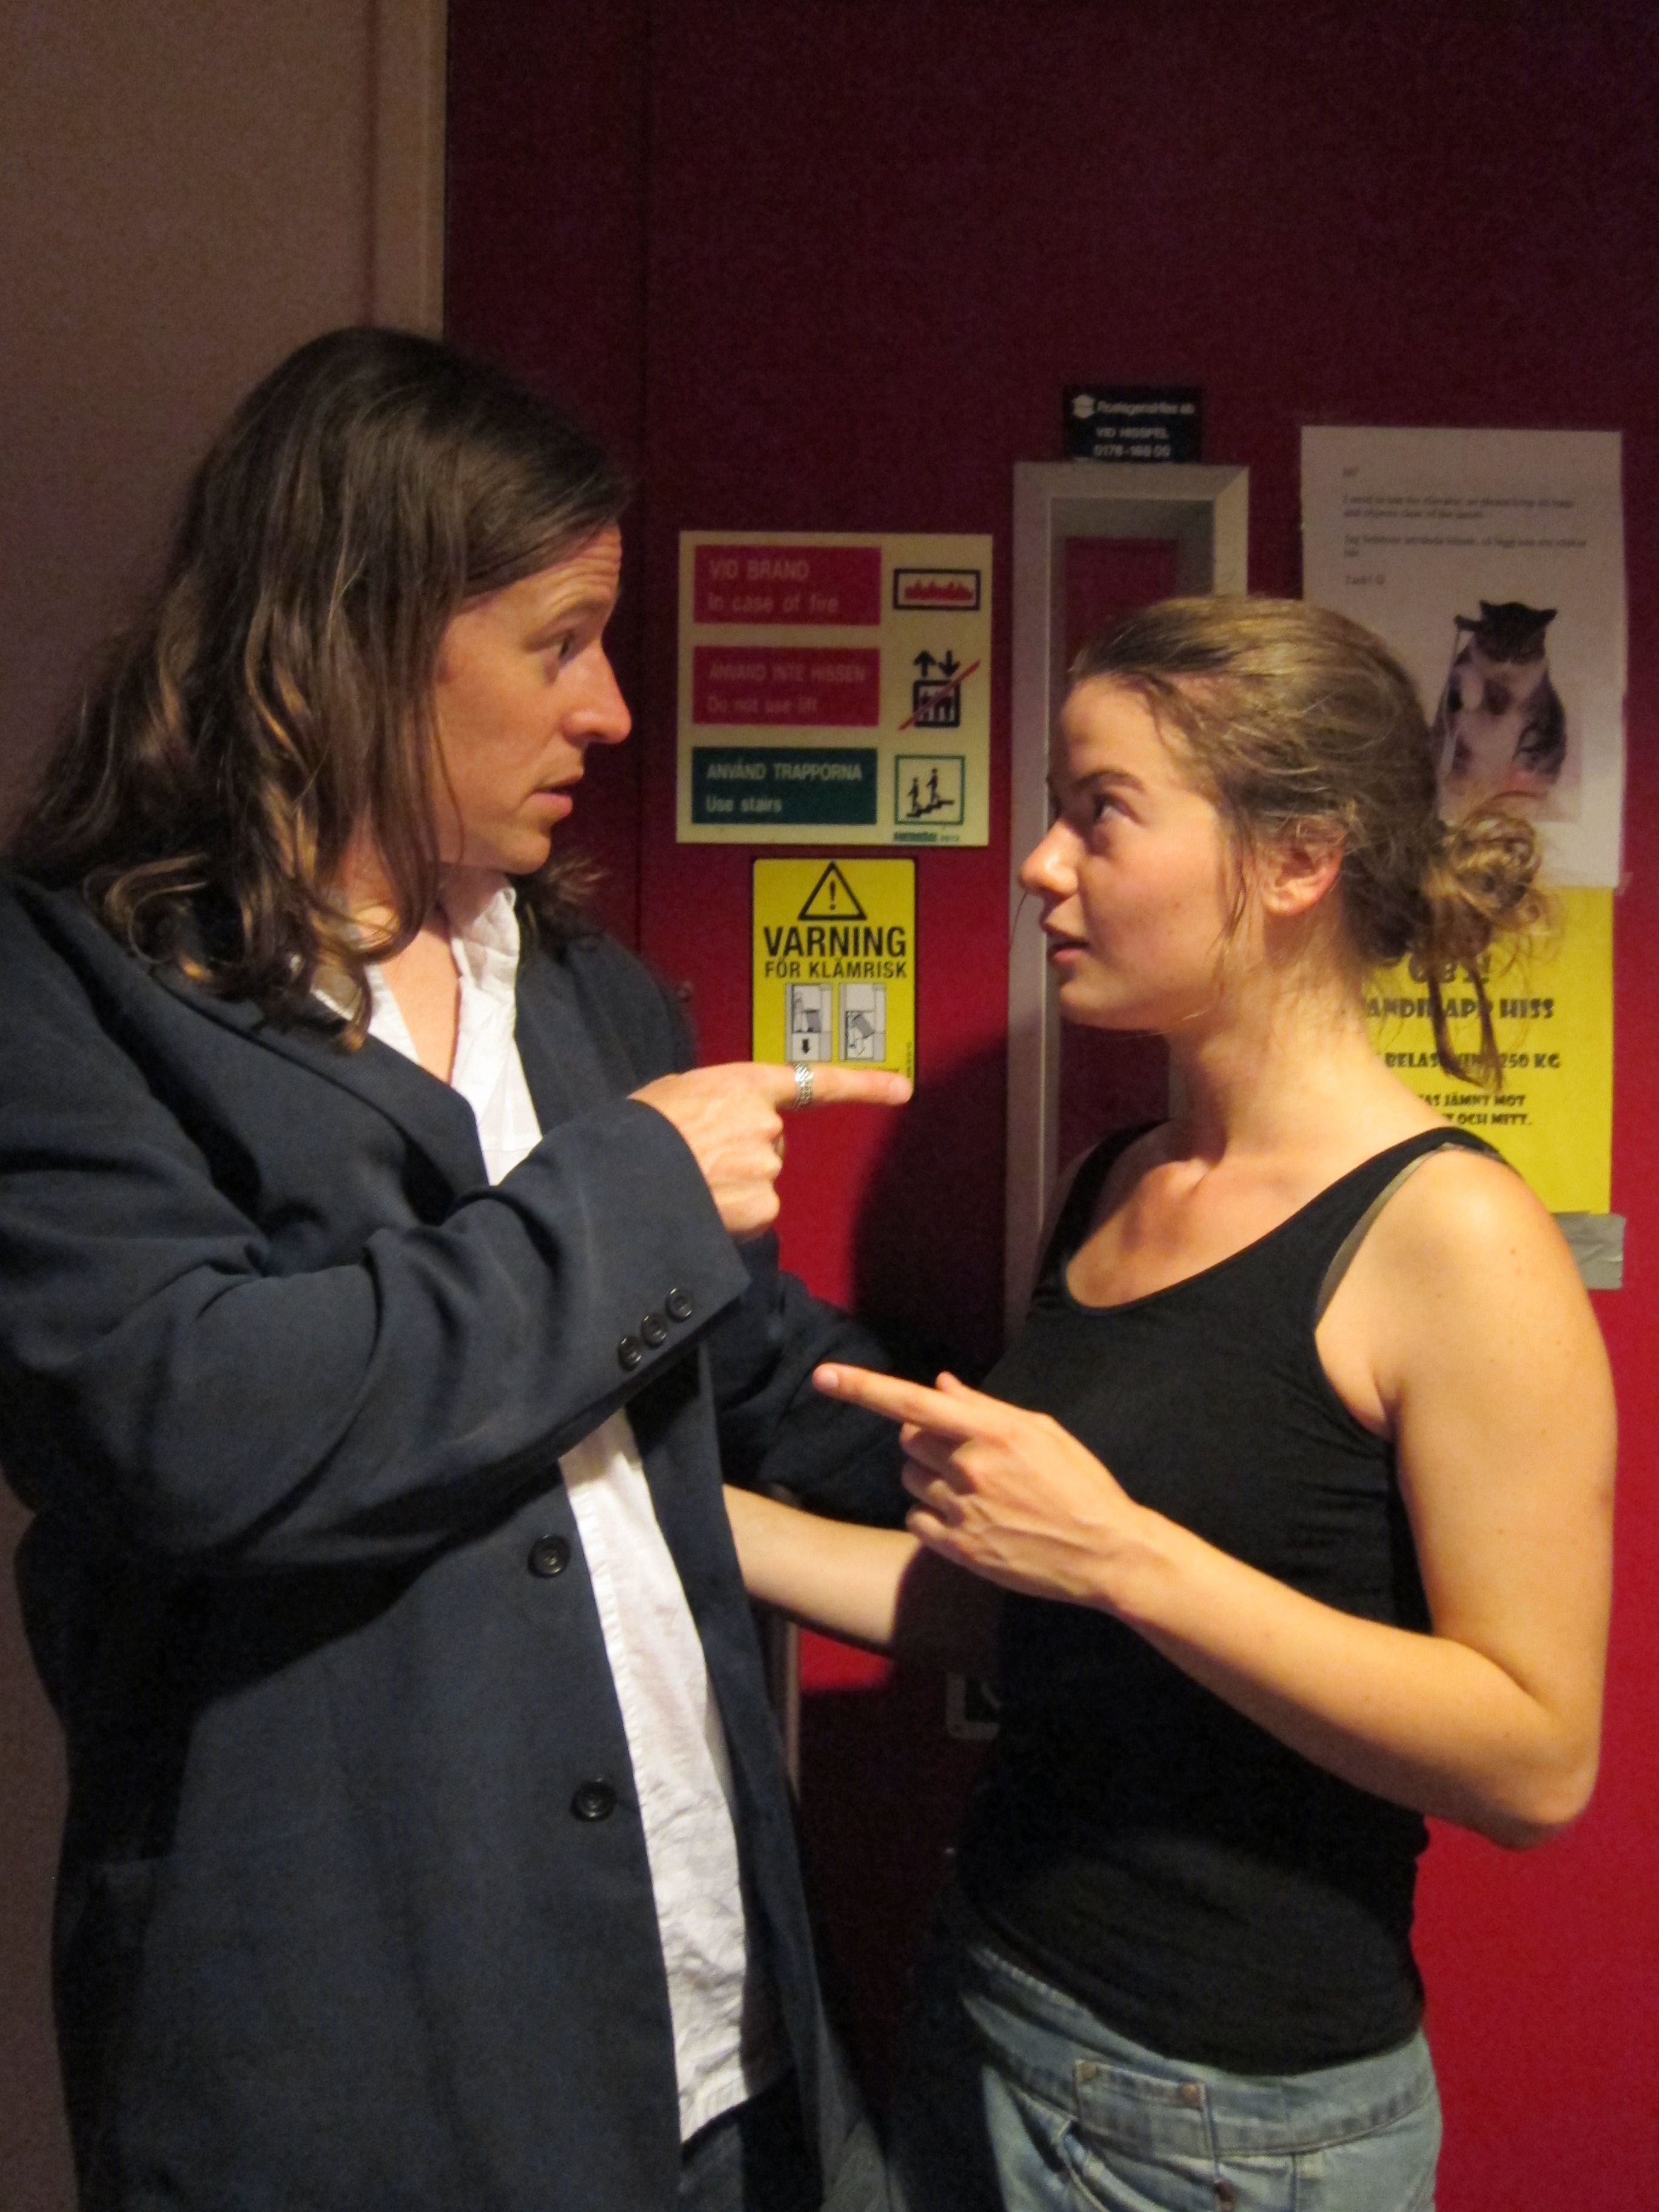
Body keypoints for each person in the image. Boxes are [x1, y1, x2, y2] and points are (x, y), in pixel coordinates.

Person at [0, 327, 916, 2212]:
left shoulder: (588, 993)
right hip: (352, 2081)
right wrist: (638, 1194)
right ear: (350, 635)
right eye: (560, 643)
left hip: (716, 2032)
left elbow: (734, 1372)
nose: (613, 712)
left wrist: (1061, 1451)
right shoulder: (72, 990)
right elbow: (185, 1420)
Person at [726, 598, 1615, 2212]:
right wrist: (665, 1516)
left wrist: (1127, 1555)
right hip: (987, 1999)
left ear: (1297, 860)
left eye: (1102, 814)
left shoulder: (1454, 1237)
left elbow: (1537, 1761)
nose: (1041, 865)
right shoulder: (1113, 1181)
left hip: (1229, 2129)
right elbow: (1026, 1611)